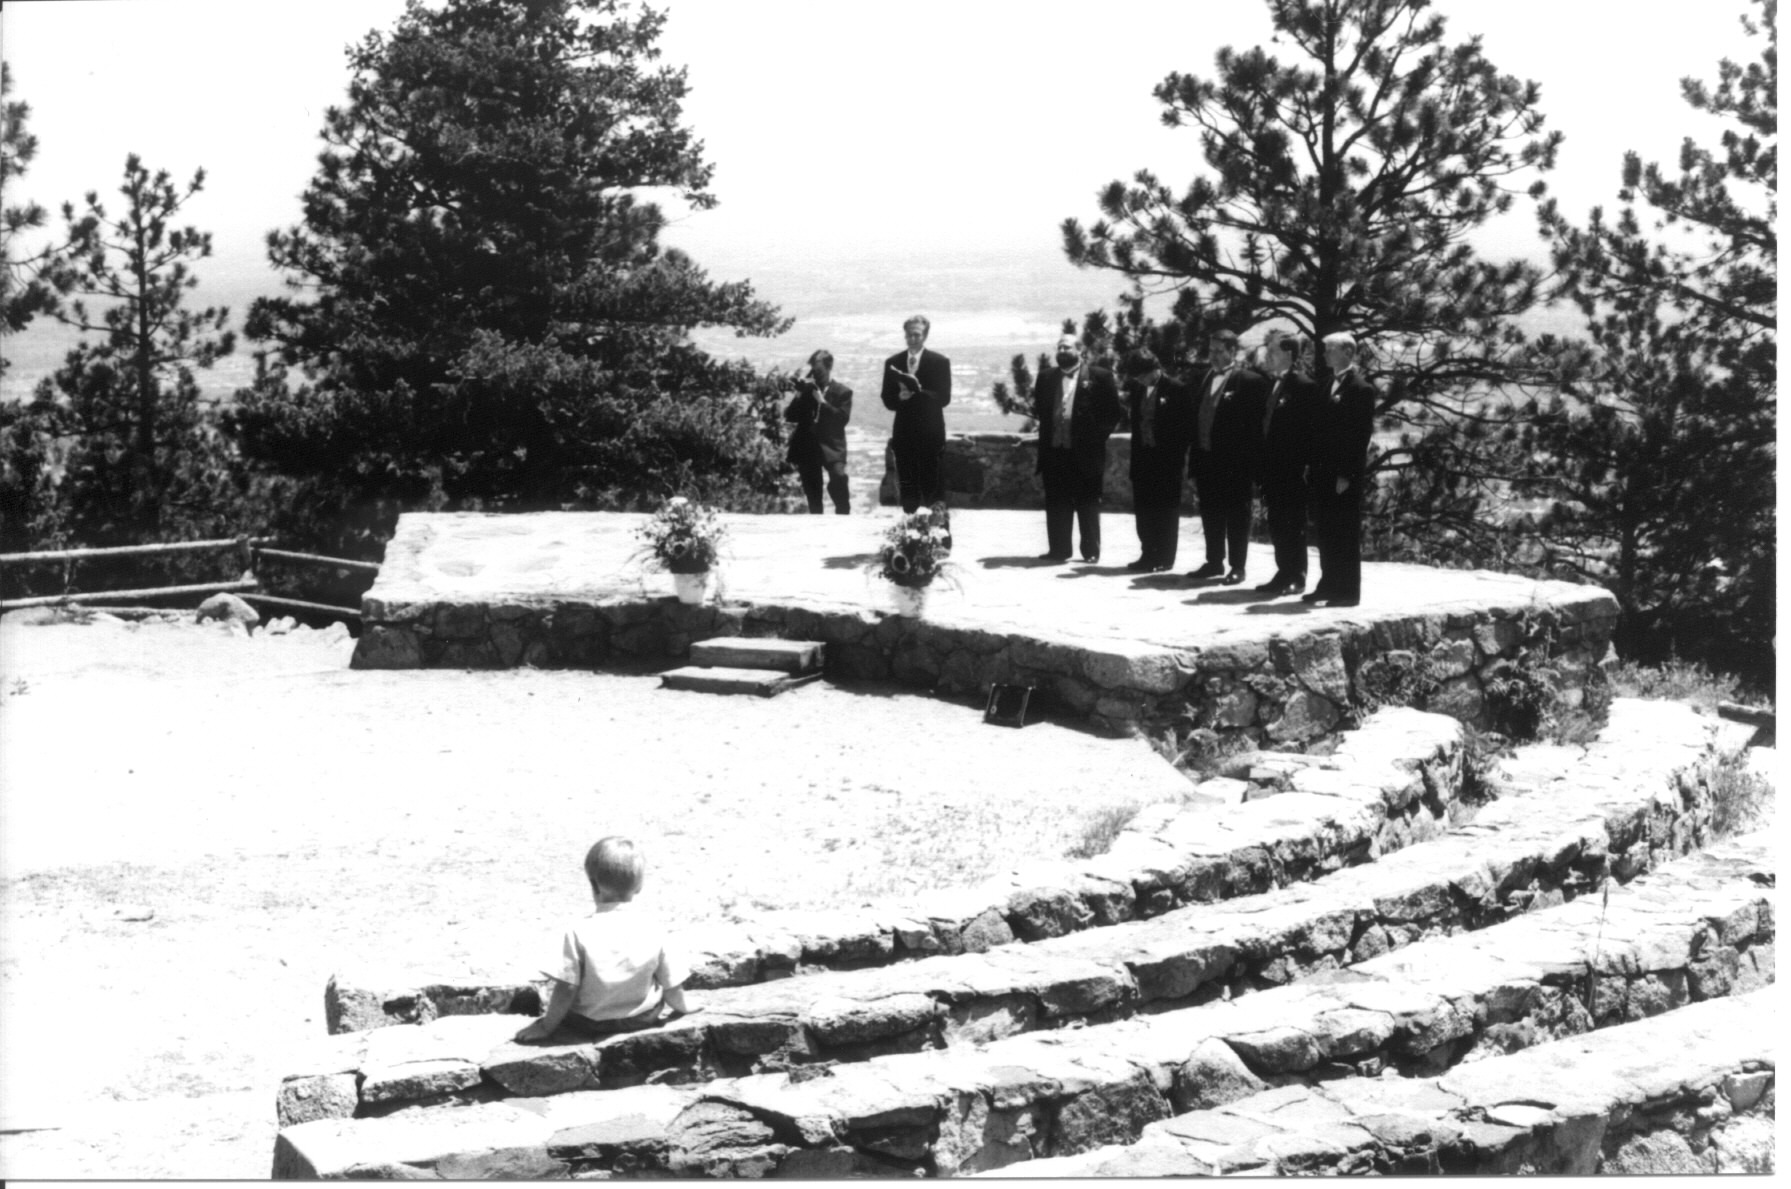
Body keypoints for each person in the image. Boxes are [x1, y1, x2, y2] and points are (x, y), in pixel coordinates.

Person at [513, 837, 694, 1044]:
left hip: (588, 1022)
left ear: (593, 885)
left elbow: (567, 988)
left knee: (552, 998)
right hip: (642, 1018)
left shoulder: (577, 931)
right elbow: (671, 983)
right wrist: (685, 1007)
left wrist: (546, 1026)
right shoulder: (653, 928)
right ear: (639, 886)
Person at [1185, 329, 1267, 584]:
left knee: (1237, 516)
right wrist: (1193, 464)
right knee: (1210, 512)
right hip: (1205, 459)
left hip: (1235, 464)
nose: (1214, 356)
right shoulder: (1202, 378)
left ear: (1233, 351)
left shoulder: (1250, 381)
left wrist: (1252, 466)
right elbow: (1195, 422)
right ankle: (1213, 562)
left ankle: (1237, 567)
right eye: (1211, 350)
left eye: (1219, 351)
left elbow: (1256, 428)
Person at [1032, 333, 1123, 563]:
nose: (1062, 351)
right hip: (1055, 451)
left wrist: (1096, 438)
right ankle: (1059, 550)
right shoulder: (1045, 377)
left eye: (1067, 347)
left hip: (1085, 453)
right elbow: (1041, 410)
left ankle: (1090, 551)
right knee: (1056, 501)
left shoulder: (1100, 376)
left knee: (1087, 502)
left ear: (1080, 351)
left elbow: (1113, 412)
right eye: (1059, 347)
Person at [1304, 333, 1377, 608]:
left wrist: (1347, 474)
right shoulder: (1325, 385)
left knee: (1344, 531)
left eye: (1330, 349)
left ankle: (1347, 590)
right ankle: (1328, 583)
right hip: (1322, 470)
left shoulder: (1360, 388)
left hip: (1343, 474)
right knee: (1326, 530)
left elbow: (1360, 436)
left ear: (1348, 352)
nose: (1324, 354)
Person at [1254, 331, 1320, 595]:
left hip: (1291, 468)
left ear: (1289, 354)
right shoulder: (1272, 384)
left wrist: (1303, 466)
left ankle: (1297, 576)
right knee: (1277, 522)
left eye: (1273, 351)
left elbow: (1310, 431)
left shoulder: (1303, 386)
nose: (1268, 356)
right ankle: (1283, 572)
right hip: (1270, 467)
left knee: (1293, 523)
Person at [1121, 347, 1190, 572]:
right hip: (1143, 461)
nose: (1140, 380)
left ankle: (1164, 558)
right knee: (1144, 511)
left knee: (1165, 512)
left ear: (1155, 368)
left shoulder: (1176, 389)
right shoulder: (1138, 390)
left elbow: (1184, 429)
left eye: (1142, 375)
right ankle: (1147, 554)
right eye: (1136, 377)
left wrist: (1173, 458)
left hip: (1166, 463)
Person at [881, 315, 952, 513]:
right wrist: (899, 397)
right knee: (908, 486)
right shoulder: (893, 363)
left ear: (925, 336)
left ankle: (938, 529)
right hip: (904, 432)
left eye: (917, 335)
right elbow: (887, 398)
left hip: (931, 432)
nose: (912, 339)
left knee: (933, 486)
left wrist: (918, 392)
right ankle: (911, 528)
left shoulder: (939, 362)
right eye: (909, 335)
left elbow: (944, 397)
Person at [783, 350, 853, 514]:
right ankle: (817, 521)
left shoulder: (842, 392)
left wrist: (822, 402)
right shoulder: (807, 391)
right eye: (814, 370)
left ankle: (843, 512)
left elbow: (842, 419)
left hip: (832, 446)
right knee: (813, 492)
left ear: (829, 367)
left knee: (839, 477)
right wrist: (800, 394)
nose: (816, 375)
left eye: (819, 371)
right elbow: (791, 416)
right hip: (809, 446)